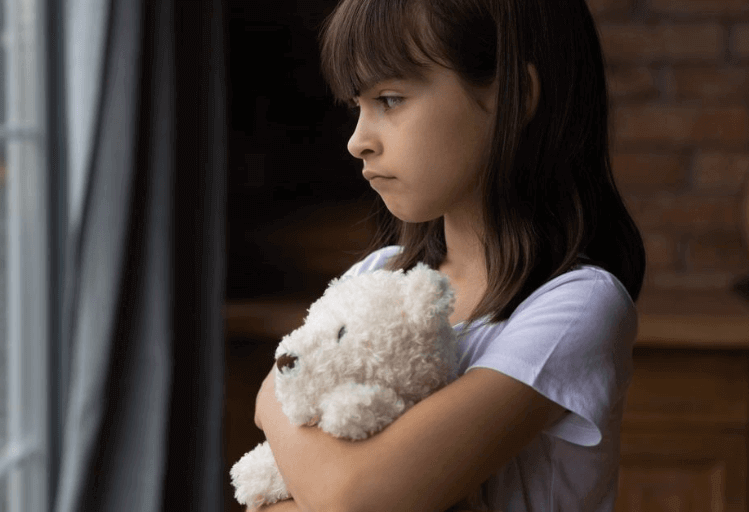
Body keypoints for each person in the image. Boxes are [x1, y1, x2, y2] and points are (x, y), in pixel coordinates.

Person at [248, 0, 646, 510]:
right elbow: (268, 500)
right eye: (358, 107)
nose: (357, 142)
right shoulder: (376, 275)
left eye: (390, 99)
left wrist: (270, 400)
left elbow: (356, 500)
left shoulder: (575, 305)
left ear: (515, 97)